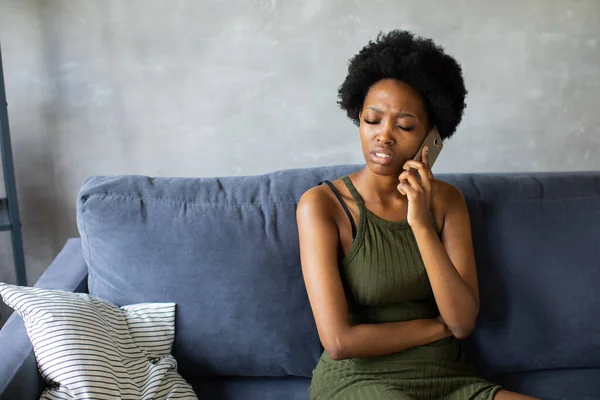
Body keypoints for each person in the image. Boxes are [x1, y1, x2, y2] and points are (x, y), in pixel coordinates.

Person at [296, 30, 538, 400]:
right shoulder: (322, 205)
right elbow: (339, 341)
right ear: (357, 118)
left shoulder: (447, 202)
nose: (384, 136)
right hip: (361, 382)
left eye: (405, 126)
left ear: (431, 136)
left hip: (450, 378)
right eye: (372, 120)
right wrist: (436, 328)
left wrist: (421, 222)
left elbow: (461, 319)